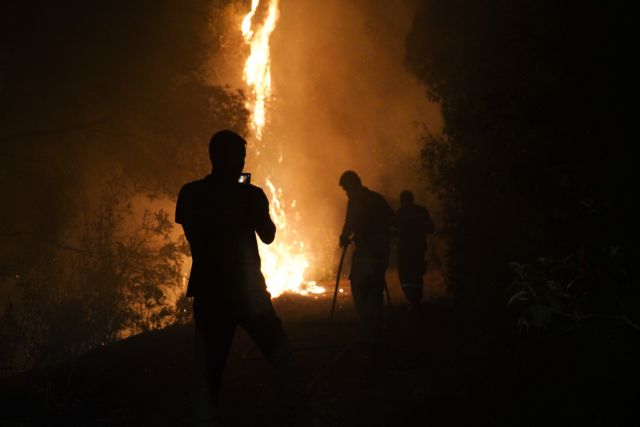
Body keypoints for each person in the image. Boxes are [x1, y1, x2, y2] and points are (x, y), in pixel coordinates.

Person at [175, 130, 301, 425]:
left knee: (209, 366)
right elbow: (268, 236)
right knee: (277, 350)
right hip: (247, 289)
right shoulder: (250, 194)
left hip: (210, 289)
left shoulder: (191, 193)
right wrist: (249, 200)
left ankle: (206, 418)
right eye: (240, 156)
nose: (243, 161)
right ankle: (300, 407)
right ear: (228, 158)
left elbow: (193, 235)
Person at [338, 170, 393, 344]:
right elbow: (392, 218)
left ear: (354, 185)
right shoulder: (376, 198)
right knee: (374, 288)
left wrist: (345, 236)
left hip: (369, 252)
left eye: (347, 188)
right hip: (379, 251)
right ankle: (373, 325)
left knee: (360, 285)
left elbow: (351, 222)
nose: (347, 192)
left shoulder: (358, 200)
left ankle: (369, 325)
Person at [393, 190, 434, 309]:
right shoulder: (421, 211)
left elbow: (393, 231)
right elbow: (430, 228)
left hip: (405, 249)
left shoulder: (400, 213)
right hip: (418, 248)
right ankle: (416, 298)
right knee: (416, 273)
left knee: (406, 274)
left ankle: (412, 298)